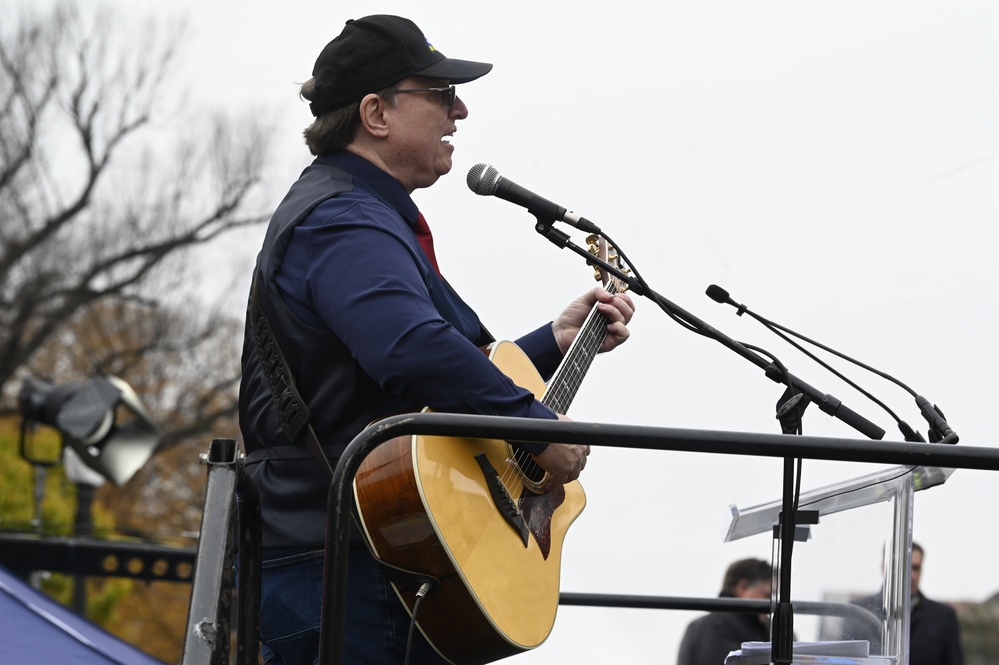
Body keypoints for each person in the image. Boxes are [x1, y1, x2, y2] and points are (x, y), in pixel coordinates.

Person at [237, 14, 635, 665]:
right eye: (441, 94)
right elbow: (409, 348)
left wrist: (552, 341)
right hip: (343, 561)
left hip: (377, 554)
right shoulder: (342, 216)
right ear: (376, 113)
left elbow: (444, 362)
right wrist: (535, 427)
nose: (461, 110)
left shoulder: (363, 213)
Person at [676, 558, 772, 665]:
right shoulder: (717, 625)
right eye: (767, 595)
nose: (770, 602)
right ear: (742, 587)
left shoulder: (760, 625)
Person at [909, 543, 964, 665]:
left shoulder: (943, 616)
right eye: (904, 568)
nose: (911, 575)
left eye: (916, 568)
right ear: (884, 567)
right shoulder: (864, 614)